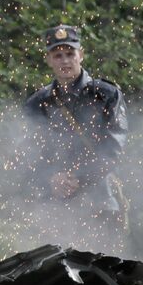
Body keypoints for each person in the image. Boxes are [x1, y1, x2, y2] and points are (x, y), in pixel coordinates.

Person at [24, 25, 128, 223]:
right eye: (57, 55)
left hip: (100, 205)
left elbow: (113, 148)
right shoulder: (37, 104)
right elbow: (29, 153)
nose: (65, 60)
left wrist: (79, 178)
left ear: (81, 55)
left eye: (70, 53)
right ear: (48, 60)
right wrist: (50, 179)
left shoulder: (106, 95)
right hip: (55, 209)